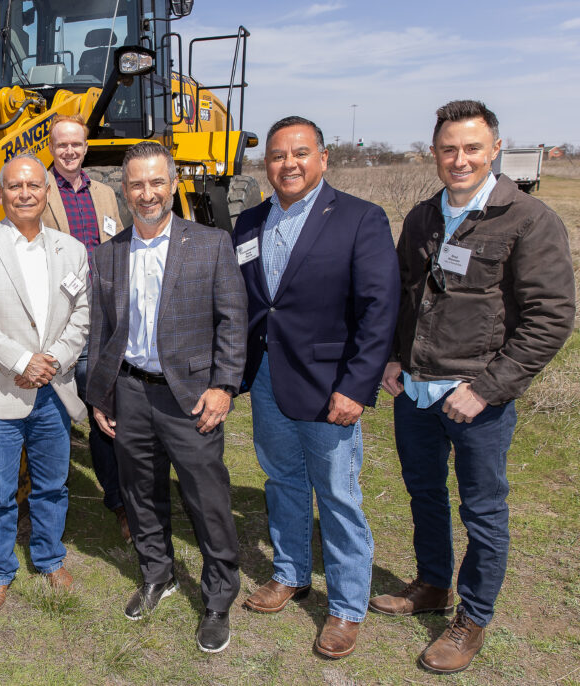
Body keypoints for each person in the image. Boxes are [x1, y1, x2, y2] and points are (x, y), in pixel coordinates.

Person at [370, 100, 575, 673]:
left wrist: (487, 388)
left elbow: (550, 317)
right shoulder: (421, 218)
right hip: (415, 392)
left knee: (483, 510)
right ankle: (434, 584)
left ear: (495, 150)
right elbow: (402, 295)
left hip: (476, 400)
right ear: (434, 153)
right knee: (424, 493)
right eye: (449, 149)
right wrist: (390, 358)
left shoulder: (529, 220)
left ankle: (473, 617)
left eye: (472, 149)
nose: (459, 160)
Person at [232, 116, 400, 658]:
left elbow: (379, 311)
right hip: (266, 378)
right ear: (267, 165)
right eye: (278, 156)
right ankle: (290, 572)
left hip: (330, 386)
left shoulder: (359, 218)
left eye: (301, 153)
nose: (289, 164)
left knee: (338, 493)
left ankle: (347, 607)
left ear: (323, 158)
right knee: (281, 480)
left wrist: (356, 385)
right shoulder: (249, 221)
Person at [87, 141, 247, 653]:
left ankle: (219, 597)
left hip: (191, 396)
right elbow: (100, 332)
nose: (147, 193)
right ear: (124, 190)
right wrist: (100, 395)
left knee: (208, 499)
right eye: (137, 184)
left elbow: (233, 322)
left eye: (157, 182)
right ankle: (158, 574)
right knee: (140, 492)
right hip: (130, 391)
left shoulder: (211, 243)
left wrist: (223, 386)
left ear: (172, 184)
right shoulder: (108, 253)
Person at [0, 152, 90, 615]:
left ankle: (50, 557)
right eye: (15, 186)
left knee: (53, 484)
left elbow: (82, 315)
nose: (25, 194)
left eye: (34, 186)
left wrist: (53, 361)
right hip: (0, 389)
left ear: (47, 192)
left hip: (53, 389)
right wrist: (21, 360)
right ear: (2, 194)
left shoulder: (71, 250)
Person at [40, 113, 129, 541]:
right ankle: (48, 500)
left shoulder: (107, 194)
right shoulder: (37, 192)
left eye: (76, 144)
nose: (69, 151)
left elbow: (119, 246)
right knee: (55, 411)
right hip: (57, 317)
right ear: (51, 148)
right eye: (61, 146)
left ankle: (118, 500)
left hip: (101, 315)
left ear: (86, 146)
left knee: (105, 410)